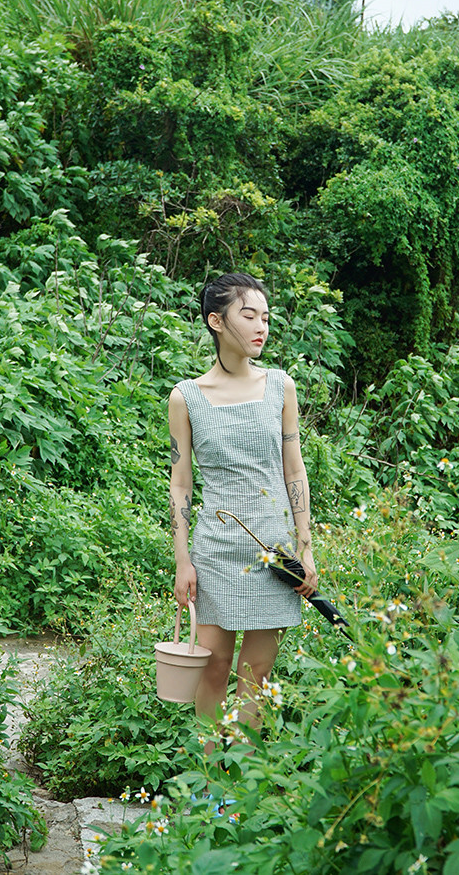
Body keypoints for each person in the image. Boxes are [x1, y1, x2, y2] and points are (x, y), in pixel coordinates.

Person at [168, 273, 317, 734]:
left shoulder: (280, 386)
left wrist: (306, 548)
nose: (261, 327)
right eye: (248, 315)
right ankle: (209, 770)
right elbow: (181, 483)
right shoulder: (186, 397)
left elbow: (294, 470)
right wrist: (182, 560)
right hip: (215, 551)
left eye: (265, 318)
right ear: (216, 321)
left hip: (274, 551)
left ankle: (246, 773)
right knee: (213, 666)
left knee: (257, 674)